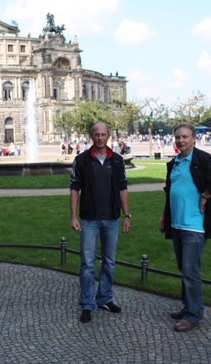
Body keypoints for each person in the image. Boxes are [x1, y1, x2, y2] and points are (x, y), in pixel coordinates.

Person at [159, 123, 211, 332]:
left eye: (185, 137)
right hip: (177, 223)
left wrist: (206, 196)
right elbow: (170, 191)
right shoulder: (174, 163)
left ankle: (193, 315)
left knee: (190, 270)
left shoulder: (203, 159)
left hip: (195, 225)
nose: (181, 140)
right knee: (184, 269)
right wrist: (164, 215)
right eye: (178, 137)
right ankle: (189, 306)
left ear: (193, 139)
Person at [69, 122, 132, 324]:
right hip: (89, 219)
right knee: (87, 264)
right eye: (97, 134)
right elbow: (74, 189)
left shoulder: (117, 160)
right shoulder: (82, 160)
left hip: (112, 218)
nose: (100, 138)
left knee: (109, 262)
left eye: (103, 134)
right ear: (91, 136)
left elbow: (123, 188)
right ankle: (88, 303)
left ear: (108, 136)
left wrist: (127, 215)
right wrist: (73, 216)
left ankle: (104, 297)